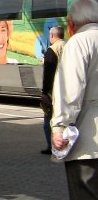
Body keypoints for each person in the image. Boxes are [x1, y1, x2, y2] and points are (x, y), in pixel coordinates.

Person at [50, 0, 98, 200]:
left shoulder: (78, 43)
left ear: (71, 24)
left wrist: (59, 127)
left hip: (88, 141)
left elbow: (70, 90)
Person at [39, 25, 66, 154]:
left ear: (52, 36)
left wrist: (44, 92)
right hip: (68, 90)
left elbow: (48, 73)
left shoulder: (52, 50)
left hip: (54, 92)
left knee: (48, 120)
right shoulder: (69, 46)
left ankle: (52, 146)